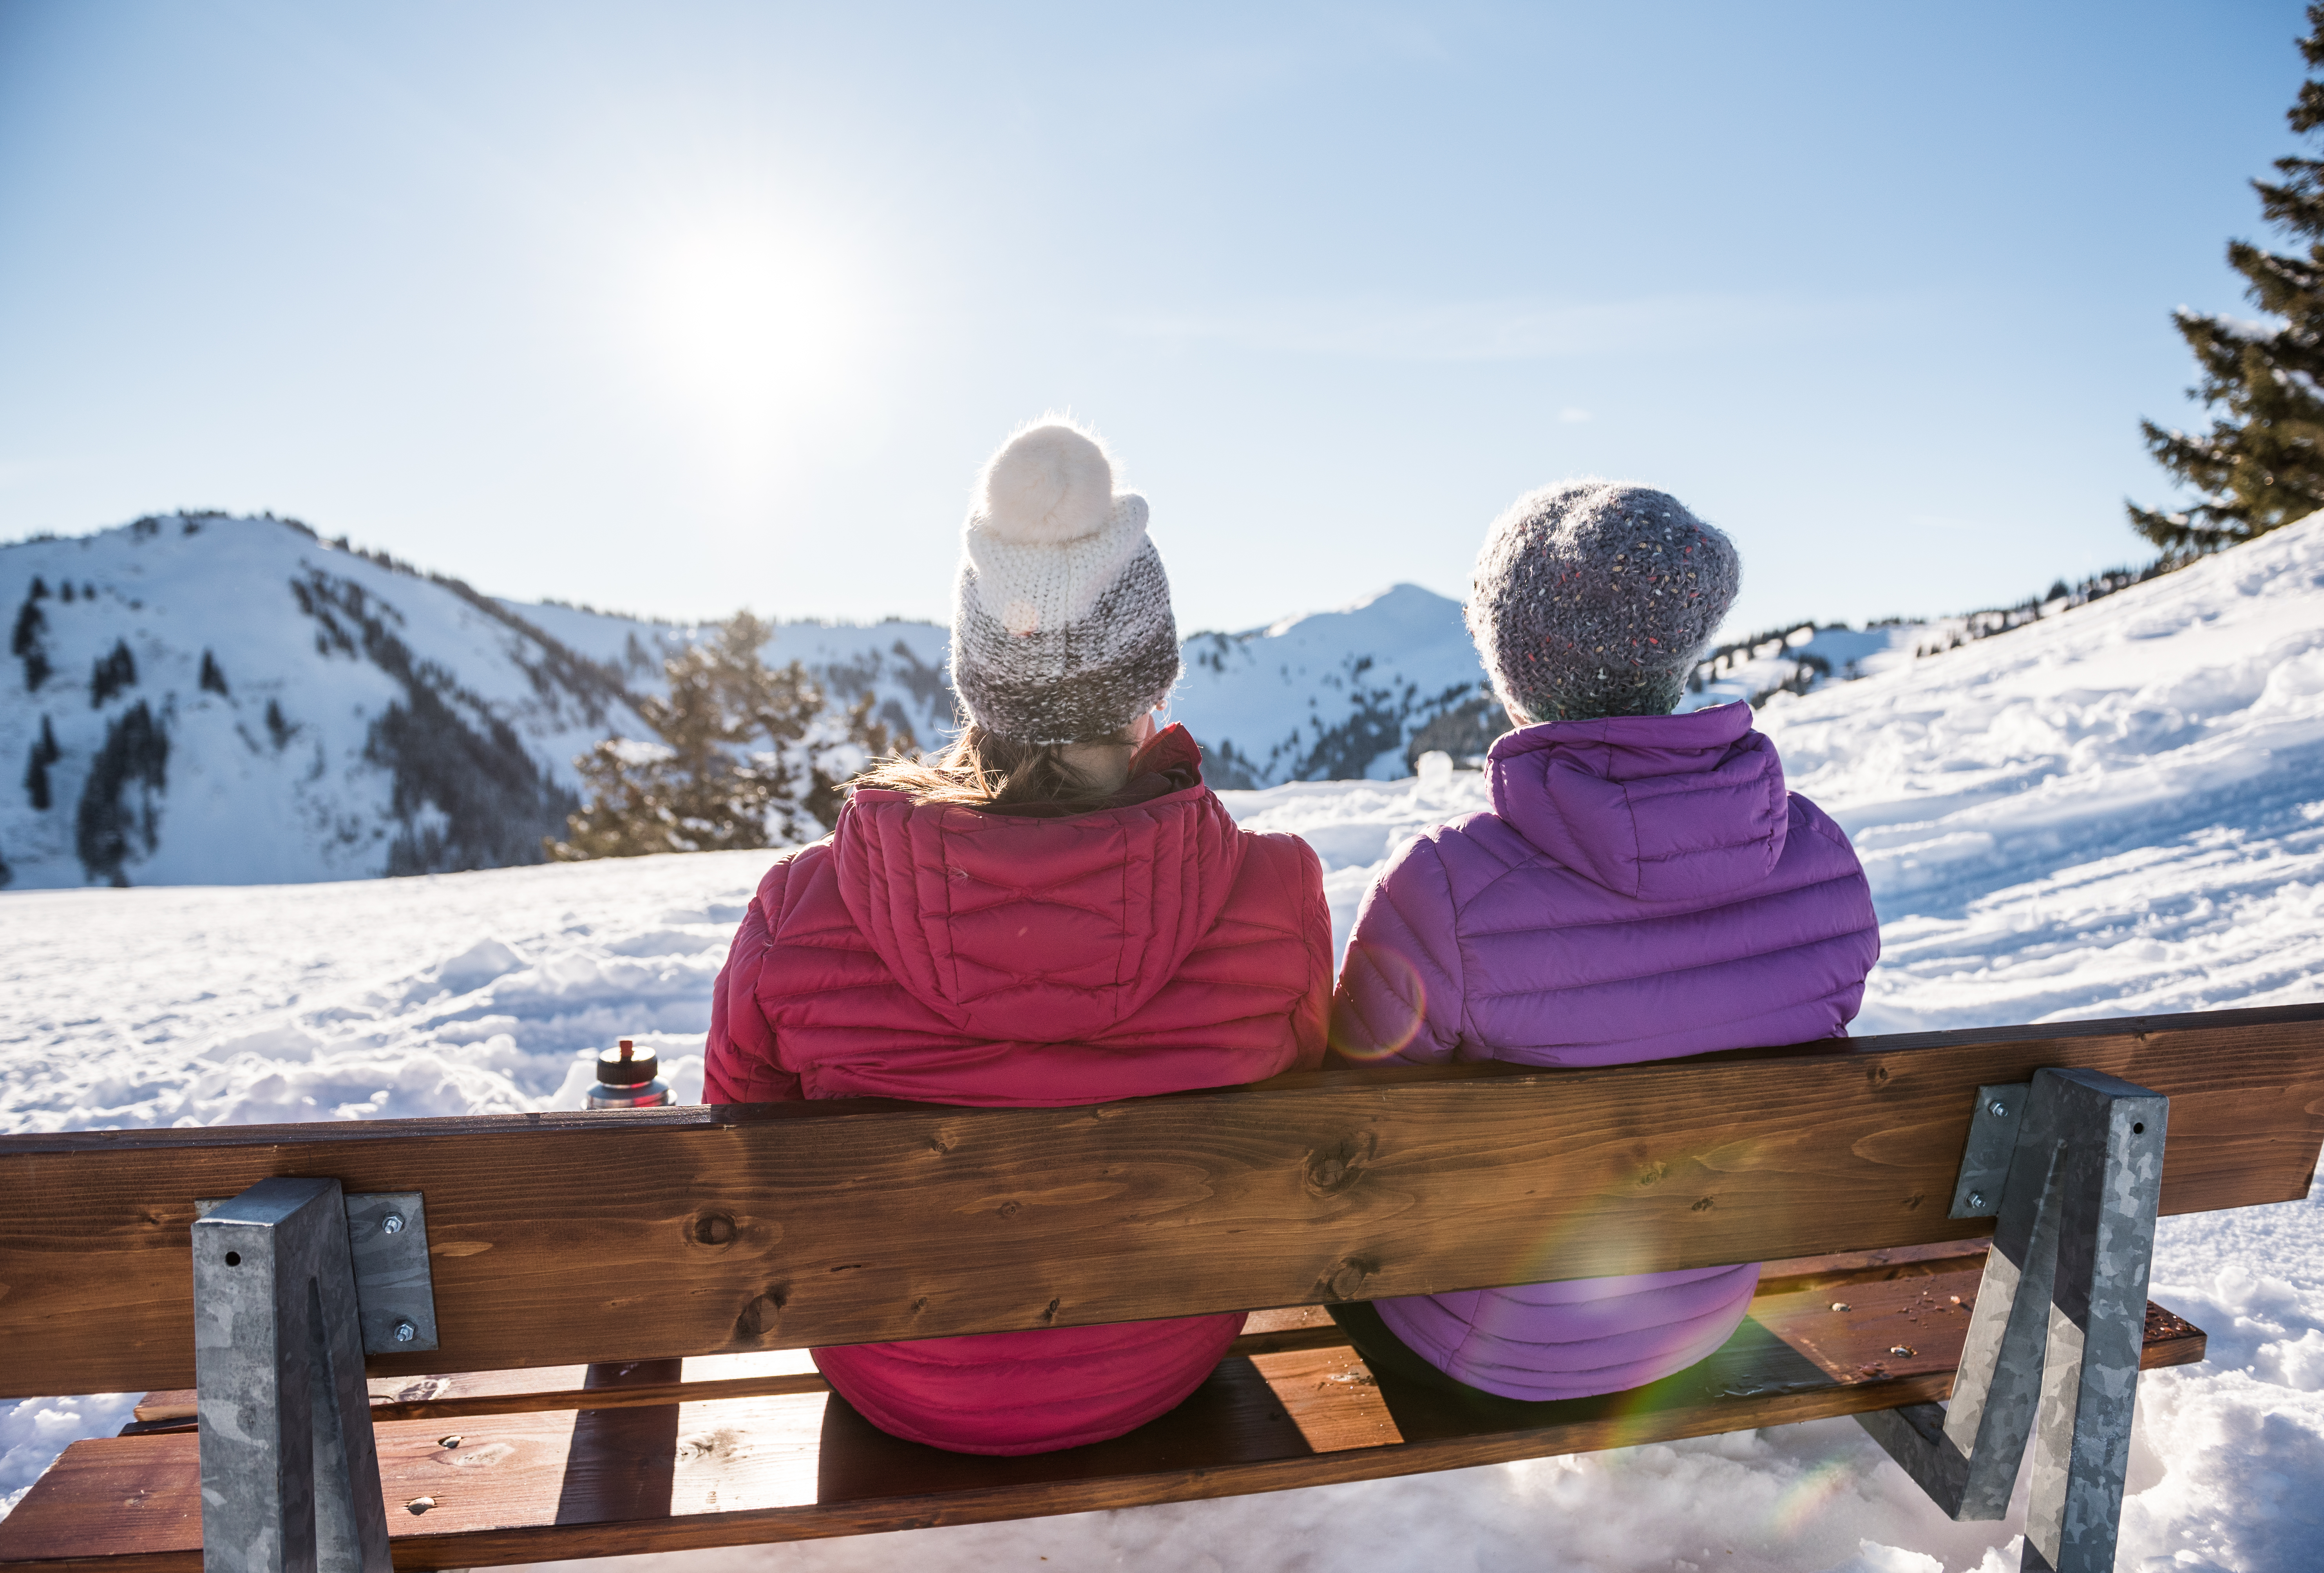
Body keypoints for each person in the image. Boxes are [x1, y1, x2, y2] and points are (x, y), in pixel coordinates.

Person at [703, 417, 1331, 1454]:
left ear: (975, 685)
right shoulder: (1274, 895)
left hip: (896, 1378)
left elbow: (742, 1142)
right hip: (1160, 1361)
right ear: (1155, 684)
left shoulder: (802, 909)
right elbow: (1303, 1102)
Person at [1327, 479, 1879, 1405]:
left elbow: (1350, 1126)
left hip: (1485, 1346)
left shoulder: (1445, 885)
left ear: (1516, 665)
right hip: (1702, 1312)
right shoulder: (1815, 856)